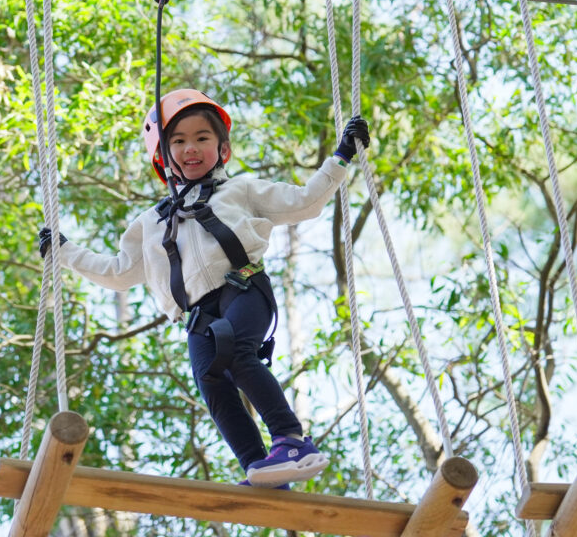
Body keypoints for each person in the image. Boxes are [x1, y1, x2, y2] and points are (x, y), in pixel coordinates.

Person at [38, 88, 369, 488]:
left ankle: (292, 439)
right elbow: (118, 272)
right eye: (177, 141)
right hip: (197, 316)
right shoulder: (150, 224)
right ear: (162, 156)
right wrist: (64, 251)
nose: (190, 148)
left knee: (237, 354)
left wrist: (341, 157)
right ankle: (259, 467)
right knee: (211, 383)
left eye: (202, 138)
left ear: (222, 149)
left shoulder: (240, 191)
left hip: (243, 288)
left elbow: (304, 202)